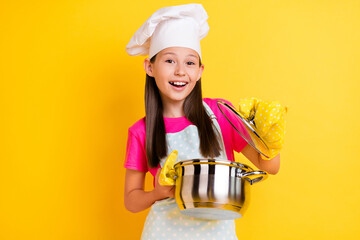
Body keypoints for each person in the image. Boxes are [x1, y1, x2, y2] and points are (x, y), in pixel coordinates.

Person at [124, 4, 282, 240]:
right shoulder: (141, 131)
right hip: (163, 233)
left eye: (189, 63)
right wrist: (156, 192)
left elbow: (270, 166)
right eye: (169, 61)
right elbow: (131, 200)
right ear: (149, 67)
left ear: (199, 71)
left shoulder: (220, 114)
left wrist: (267, 135)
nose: (180, 71)